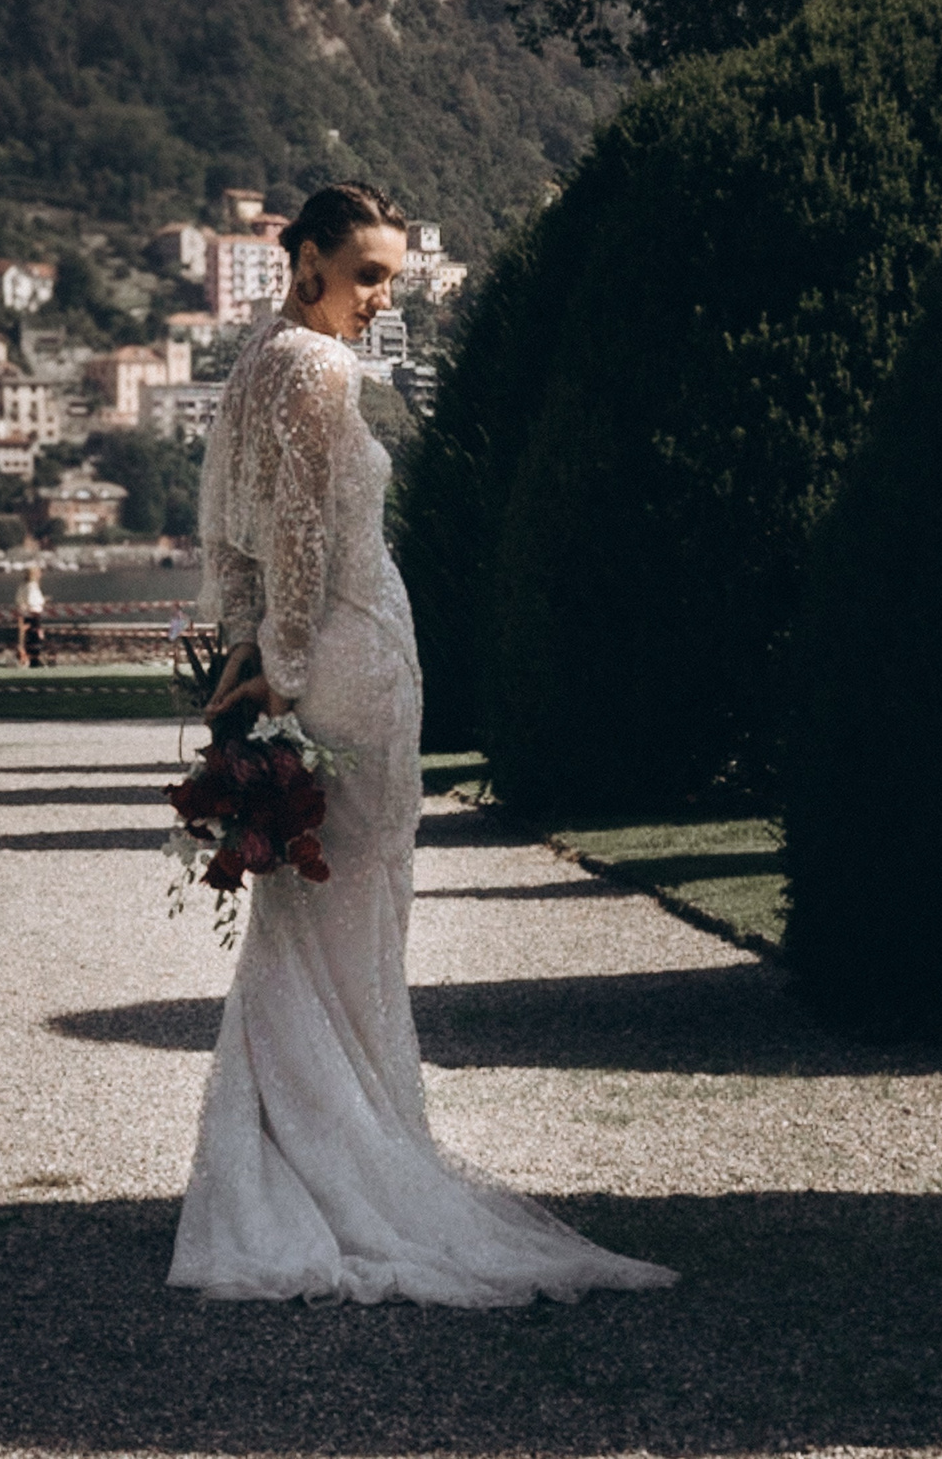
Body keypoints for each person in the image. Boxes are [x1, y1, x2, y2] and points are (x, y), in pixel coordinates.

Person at [169, 181, 675, 1308]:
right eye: (364, 272)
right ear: (302, 257)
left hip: (321, 658)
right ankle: (357, 1163)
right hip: (346, 662)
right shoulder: (312, 367)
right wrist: (288, 675)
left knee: (307, 920)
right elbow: (294, 539)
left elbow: (244, 553)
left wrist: (250, 664)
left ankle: (297, 1154)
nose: (380, 294)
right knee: (352, 917)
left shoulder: (257, 363)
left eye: (391, 274)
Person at [15, 560, 47, 668]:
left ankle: (31, 660)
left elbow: (20, 601)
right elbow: (31, 602)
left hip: (26, 616)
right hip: (33, 616)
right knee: (34, 640)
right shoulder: (31, 586)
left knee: (28, 640)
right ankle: (34, 661)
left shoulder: (23, 586)